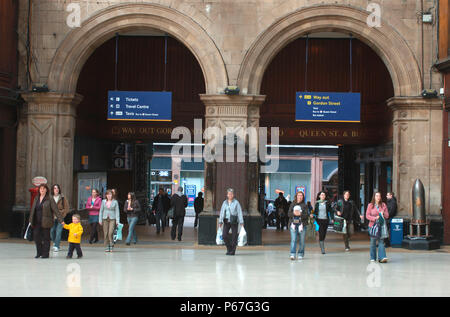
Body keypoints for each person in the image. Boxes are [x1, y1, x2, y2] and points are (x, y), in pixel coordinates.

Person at [29, 184, 62, 259]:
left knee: (46, 238)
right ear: (39, 190)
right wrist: (30, 220)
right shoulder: (36, 198)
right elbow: (33, 209)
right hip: (36, 221)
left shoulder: (49, 198)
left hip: (46, 221)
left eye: (44, 189)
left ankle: (45, 254)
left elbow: (55, 210)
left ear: (46, 190)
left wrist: (61, 220)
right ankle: (39, 252)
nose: (42, 190)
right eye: (41, 189)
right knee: (36, 237)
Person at [219, 188, 244, 256]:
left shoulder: (236, 202)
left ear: (233, 195)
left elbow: (239, 212)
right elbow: (222, 212)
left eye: (231, 194)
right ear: (227, 195)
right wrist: (220, 221)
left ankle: (232, 251)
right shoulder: (224, 202)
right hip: (226, 221)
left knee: (234, 236)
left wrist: (241, 222)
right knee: (224, 235)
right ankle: (229, 248)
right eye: (229, 194)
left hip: (234, 221)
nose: (230, 195)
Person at [288, 191, 312, 260]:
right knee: (293, 239)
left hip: (302, 225)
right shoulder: (292, 204)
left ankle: (300, 254)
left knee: (302, 240)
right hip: (293, 225)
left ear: (303, 197)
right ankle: (292, 254)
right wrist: (294, 214)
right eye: (298, 195)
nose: (300, 197)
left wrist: (300, 214)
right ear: (296, 196)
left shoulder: (305, 205)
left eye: (301, 195)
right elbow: (289, 214)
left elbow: (307, 215)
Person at [366, 192, 389, 263]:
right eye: (376, 196)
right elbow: (367, 216)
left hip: (381, 226)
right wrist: (375, 218)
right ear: (374, 197)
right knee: (373, 242)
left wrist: (383, 213)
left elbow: (387, 215)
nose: (378, 197)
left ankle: (382, 257)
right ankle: (372, 257)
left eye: (379, 196)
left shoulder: (383, 205)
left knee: (381, 241)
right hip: (372, 226)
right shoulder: (370, 205)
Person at [50, 184, 70, 252]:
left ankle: (56, 246)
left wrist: (63, 214)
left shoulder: (62, 197)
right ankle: (55, 242)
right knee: (52, 231)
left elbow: (67, 207)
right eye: (55, 188)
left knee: (59, 231)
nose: (56, 189)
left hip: (60, 217)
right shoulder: (50, 197)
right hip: (52, 217)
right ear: (52, 189)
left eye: (57, 188)